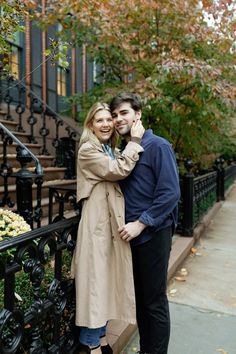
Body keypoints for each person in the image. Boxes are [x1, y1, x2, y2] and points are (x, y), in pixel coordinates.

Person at [71, 102, 144, 354]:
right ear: (90, 125)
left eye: (108, 119)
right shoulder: (88, 150)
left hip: (109, 226)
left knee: (104, 283)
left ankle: (101, 341)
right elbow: (118, 170)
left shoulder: (108, 148)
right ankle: (90, 344)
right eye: (99, 120)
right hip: (96, 227)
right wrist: (134, 141)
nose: (105, 124)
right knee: (95, 284)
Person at [110, 92, 181, 354]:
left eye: (124, 113)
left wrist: (141, 223)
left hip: (152, 234)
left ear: (138, 114)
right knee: (140, 301)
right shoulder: (128, 149)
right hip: (131, 237)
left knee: (154, 301)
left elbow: (170, 193)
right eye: (115, 115)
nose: (118, 119)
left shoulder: (158, 146)